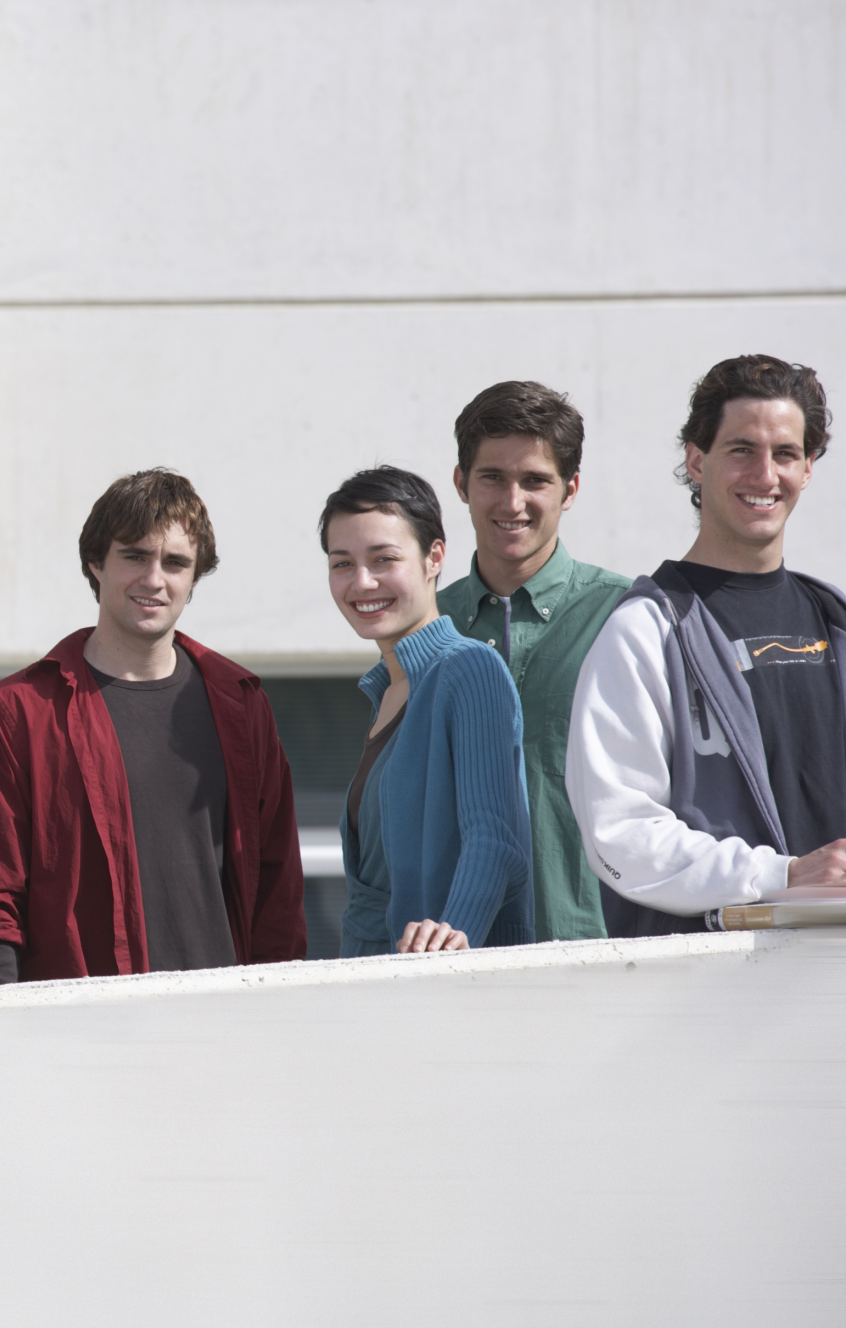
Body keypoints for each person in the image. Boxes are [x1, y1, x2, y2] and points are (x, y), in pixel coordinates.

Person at [0, 468, 307, 984]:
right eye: (134, 556)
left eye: (175, 563)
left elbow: (277, 887)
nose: (154, 579)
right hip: (82, 1023)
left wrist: (280, 1009)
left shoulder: (242, 706)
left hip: (225, 1016)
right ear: (96, 562)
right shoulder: (18, 712)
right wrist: (0, 1019)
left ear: (194, 578)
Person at [567, 355, 846, 931]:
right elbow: (620, 836)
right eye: (742, 449)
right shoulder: (646, 631)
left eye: (785, 453)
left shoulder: (835, 620)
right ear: (697, 461)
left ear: (808, 467)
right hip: (712, 978)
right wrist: (784, 875)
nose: (765, 475)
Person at [438, 382, 630, 942]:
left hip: (597, 942)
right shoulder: (426, 626)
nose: (512, 502)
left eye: (535, 481)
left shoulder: (628, 616)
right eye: (492, 477)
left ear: (570, 490)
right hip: (451, 944)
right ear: (461, 483)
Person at [323, 466, 533, 955]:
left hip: (438, 981)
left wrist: (452, 936)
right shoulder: (388, 689)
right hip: (376, 977)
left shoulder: (468, 667)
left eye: (384, 559)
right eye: (342, 563)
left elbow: (493, 838)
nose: (362, 582)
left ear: (434, 557)